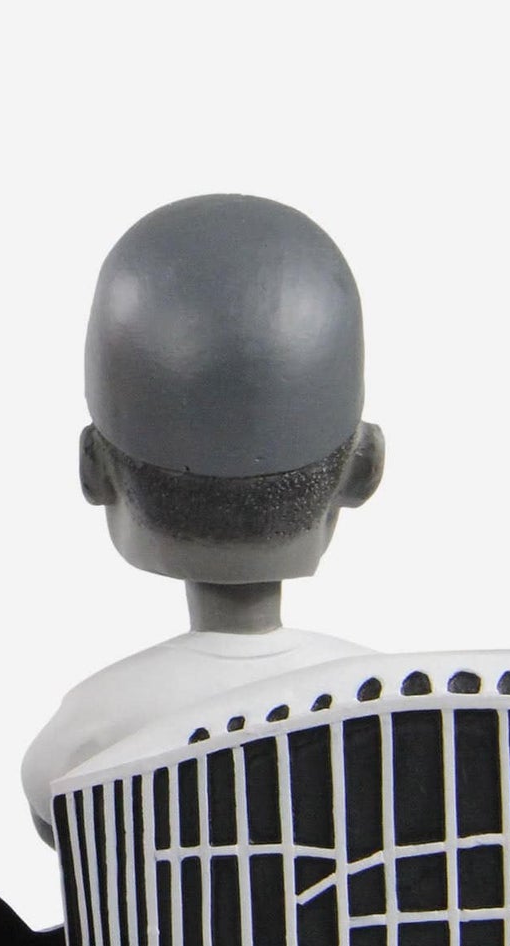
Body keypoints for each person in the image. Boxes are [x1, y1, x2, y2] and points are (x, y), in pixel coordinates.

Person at [20, 193, 386, 837]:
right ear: (364, 469)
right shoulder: (397, 701)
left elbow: (58, 829)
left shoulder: (92, 728)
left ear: (93, 471)